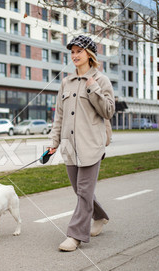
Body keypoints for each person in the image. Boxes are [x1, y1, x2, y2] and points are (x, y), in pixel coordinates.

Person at [47, 35, 115, 252]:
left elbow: (109, 111)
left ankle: (75, 235)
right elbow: (59, 115)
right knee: (80, 190)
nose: (75, 55)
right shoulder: (65, 82)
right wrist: (53, 142)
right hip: (69, 146)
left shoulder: (101, 80)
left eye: (79, 51)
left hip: (91, 146)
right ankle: (100, 216)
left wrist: (93, 88)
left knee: (85, 192)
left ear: (89, 54)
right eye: (72, 52)